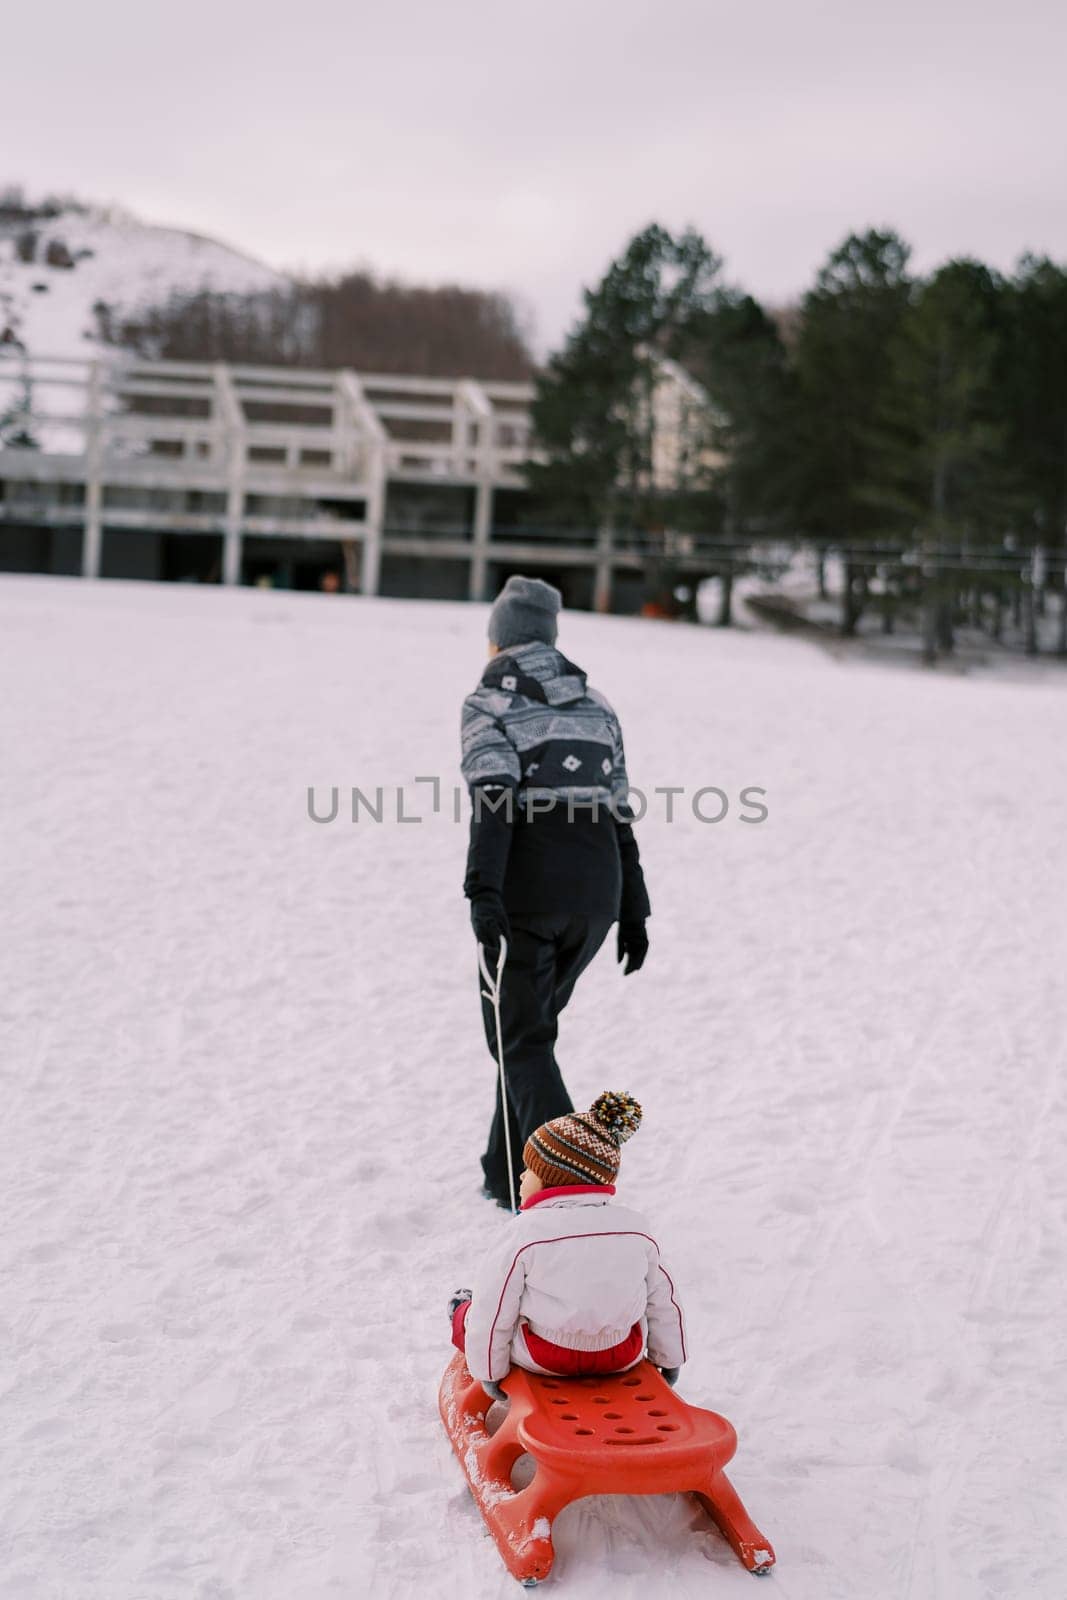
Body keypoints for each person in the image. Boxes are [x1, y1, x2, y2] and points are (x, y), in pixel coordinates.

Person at [460, 574, 652, 1208]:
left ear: (500, 641)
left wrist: (483, 894)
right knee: (528, 1035)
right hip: (596, 894)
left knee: (518, 1039)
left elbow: (494, 804)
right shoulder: (598, 706)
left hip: (528, 890)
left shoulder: (489, 704)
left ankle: (572, 1190)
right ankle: (505, 1171)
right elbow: (618, 809)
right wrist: (633, 909)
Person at [448, 1092, 686, 1394]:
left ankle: (458, 1311)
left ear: (553, 1178)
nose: (521, 1177)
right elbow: (664, 1299)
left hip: (544, 1356)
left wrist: (491, 1373)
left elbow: (494, 1307)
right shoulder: (637, 1229)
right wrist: (669, 1358)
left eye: (530, 1170)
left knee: (473, 1310)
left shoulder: (524, 1233)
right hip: (620, 1355)